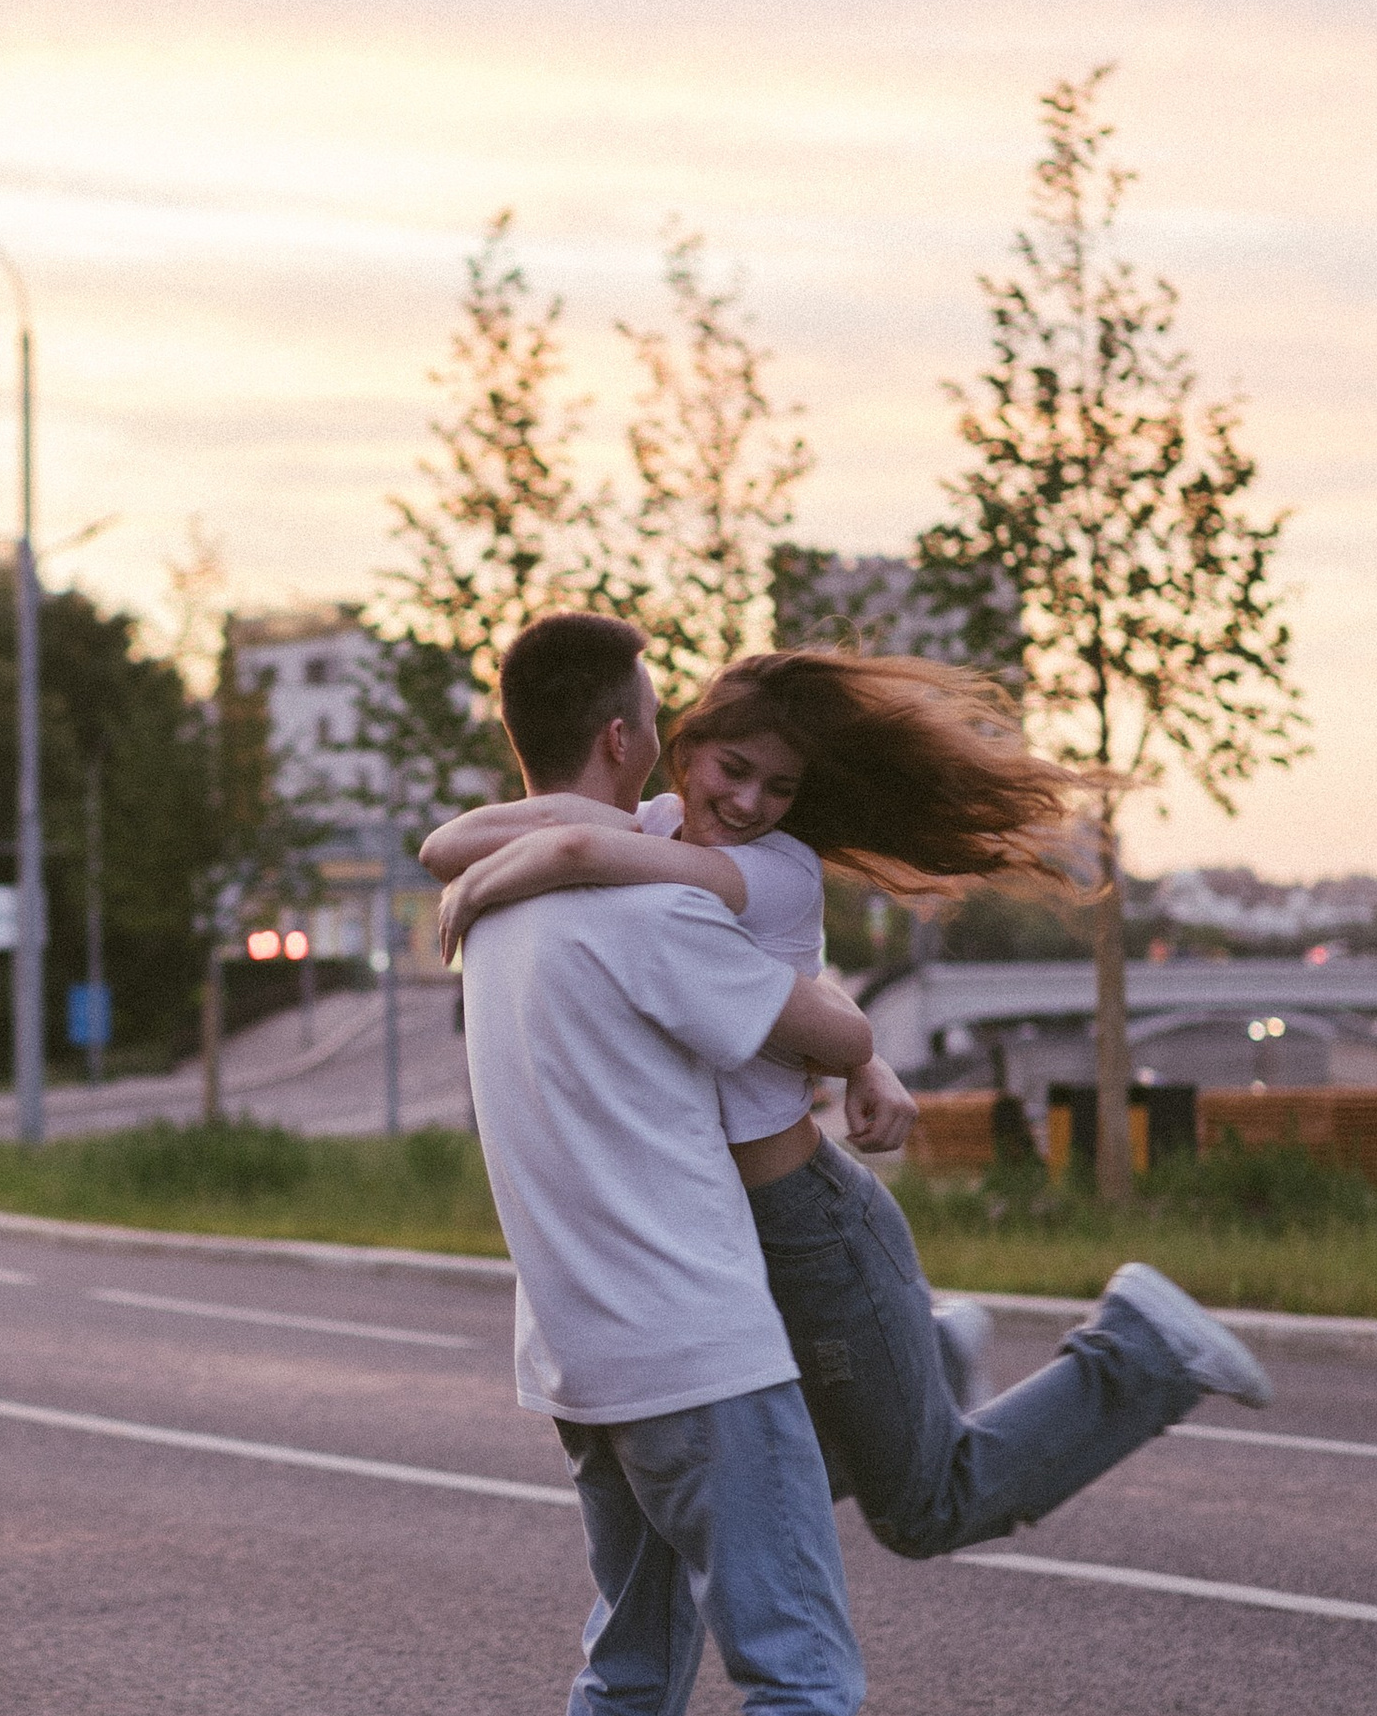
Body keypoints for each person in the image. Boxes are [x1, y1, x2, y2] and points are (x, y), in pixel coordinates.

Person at [425, 638, 1267, 1568]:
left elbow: (571, 846)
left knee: (923, 1511)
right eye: (734, 770)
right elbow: (445, 842)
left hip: (810, 1226)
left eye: (778, 787)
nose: (748, 802)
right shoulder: (659, 828)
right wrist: (511, 863)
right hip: (721, 1235)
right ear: (684, 748)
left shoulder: (770, 866)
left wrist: (501, 877)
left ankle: (1142, 1353)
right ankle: (935, 1358)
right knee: (748, 1481)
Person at [455, 612, 884, 1716]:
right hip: (697, 1345)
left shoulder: (493, 916)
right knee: (808, 1679)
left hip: (581, 1363)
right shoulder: (651, 915)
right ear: (631, 741)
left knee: (634, 1665)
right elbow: (825, 1028)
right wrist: (874, 1053)